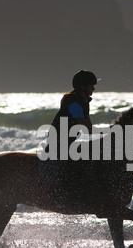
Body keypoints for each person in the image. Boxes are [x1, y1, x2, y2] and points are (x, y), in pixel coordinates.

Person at [39, 70, 100, 202]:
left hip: (69, 140)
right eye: (91, 85)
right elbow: (83, 126)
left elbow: (88, 128)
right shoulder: (75, 103)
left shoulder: (83, 101)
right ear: (83, 87)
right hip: (60, 141)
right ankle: (65, 194)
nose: (93, 88)